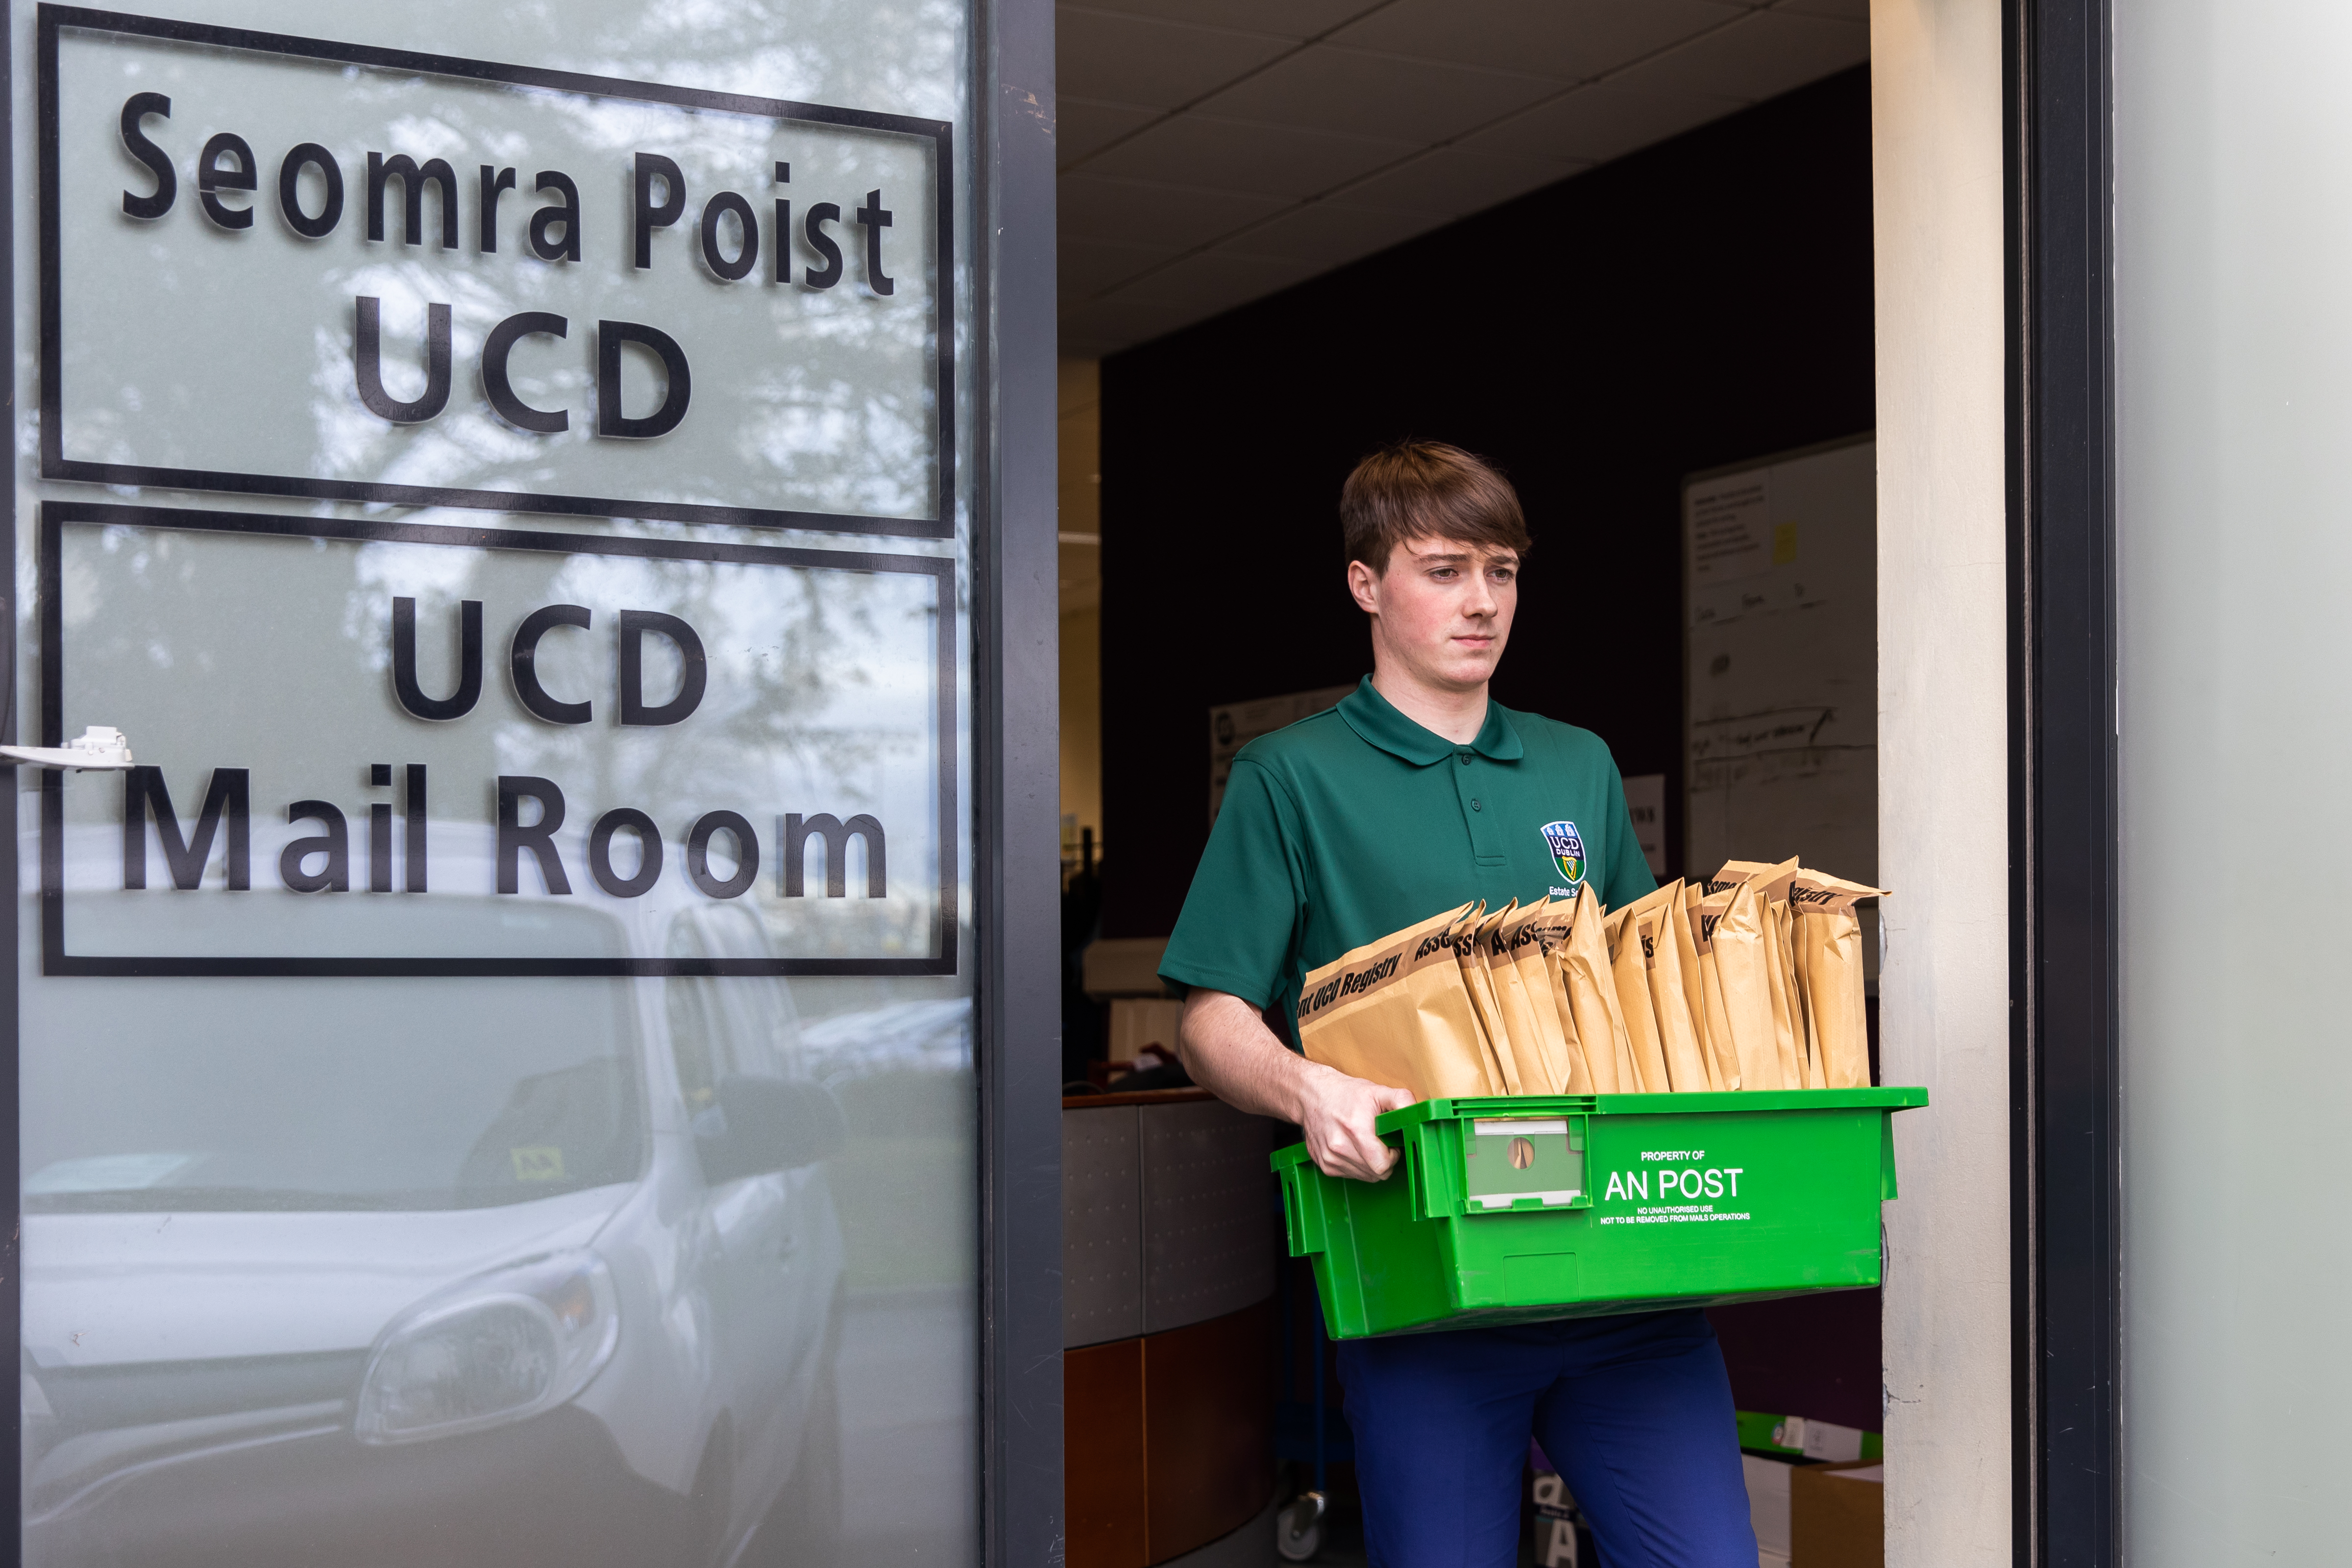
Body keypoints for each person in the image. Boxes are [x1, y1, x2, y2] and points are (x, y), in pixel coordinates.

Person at [1157, 442, 1757, 1568]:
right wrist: (1306, 1087)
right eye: (1443, 570)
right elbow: (1209, 1014)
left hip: (1621, 1274)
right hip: (1426, 1283)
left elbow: (1642, 987)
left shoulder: (1576, 764)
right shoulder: (1293, 777)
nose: (1482, 601)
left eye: (1503, 570)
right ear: (1366, 583)